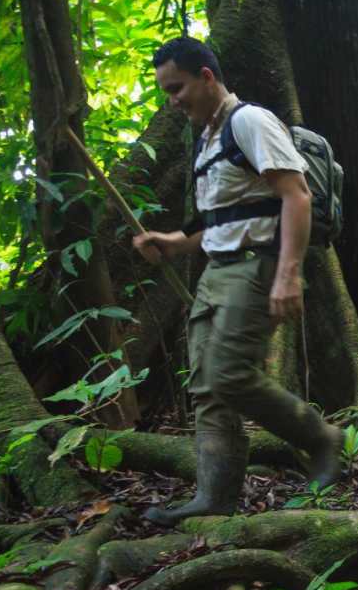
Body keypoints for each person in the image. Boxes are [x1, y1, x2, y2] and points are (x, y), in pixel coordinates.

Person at [133, 36, 342, 525]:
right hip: (218, 272)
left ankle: (321, 438)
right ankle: (215, 498)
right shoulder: (206, 140)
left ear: (207, 77)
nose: (173, 100)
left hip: (256, 267)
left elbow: (296, 195)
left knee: (228, 373)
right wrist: (173, 242)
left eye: (177, 88)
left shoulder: (249, 121)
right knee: (208, 387)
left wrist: (288, 273)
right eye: (166, 91)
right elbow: (223, 219)